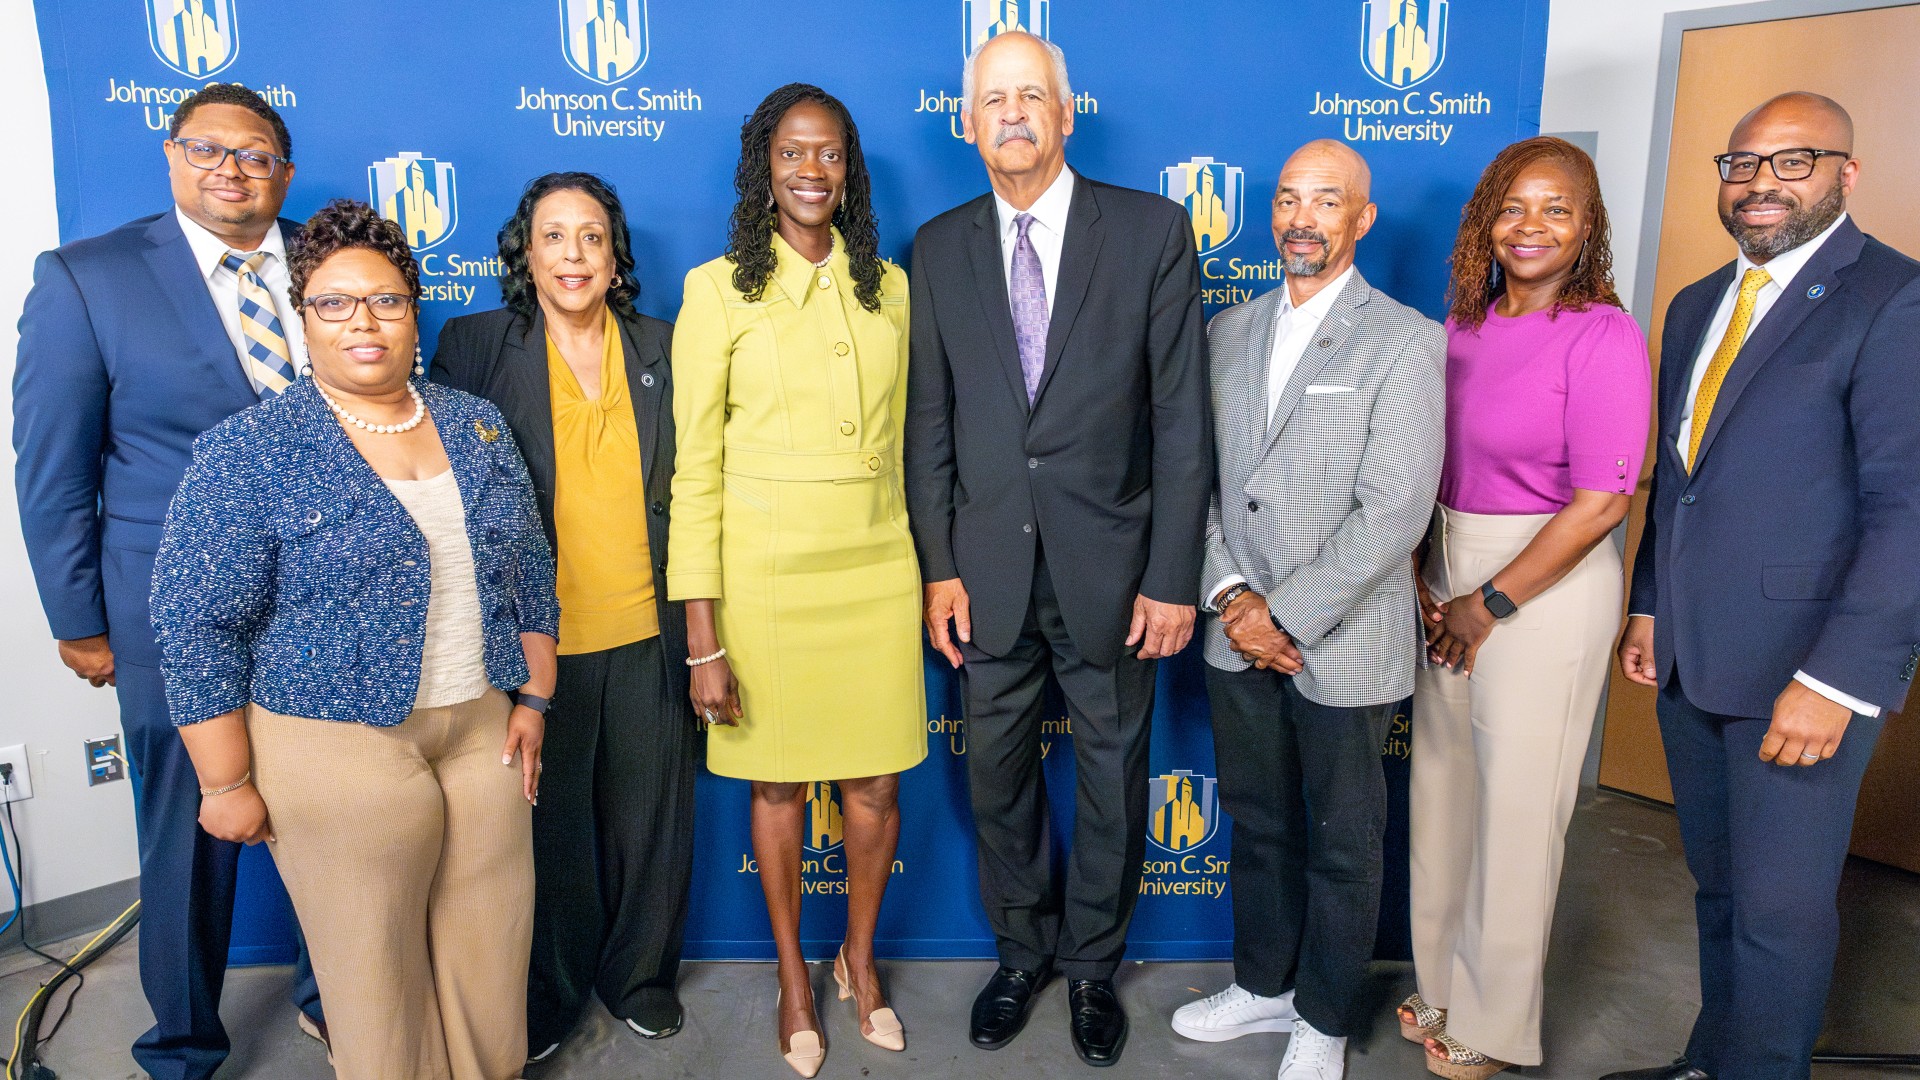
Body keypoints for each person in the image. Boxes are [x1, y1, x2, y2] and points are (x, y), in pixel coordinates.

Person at [150, 199, 559, 1080]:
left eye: (385, 300)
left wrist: (535, 695)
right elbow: (195, 624)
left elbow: (529, 567)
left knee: (491, 961)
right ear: (302, 318)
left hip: (480, 728)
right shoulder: (250, 450)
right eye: (333, 304)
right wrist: (224, 783)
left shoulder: (475, 424)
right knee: (376, 988)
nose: (362, 323)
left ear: (416, 309)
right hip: (334, 744)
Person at [904, 31, 1210, 1068]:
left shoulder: (1152, 231)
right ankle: (1020, 952)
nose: (1013, 115)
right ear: (970, 121)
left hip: (1114, 576)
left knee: (1114, 780)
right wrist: (939, 566)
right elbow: (930, 428)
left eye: (1032, 96)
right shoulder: (938, 248)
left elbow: (1181, 420)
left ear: (1067, 111)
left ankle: (1090, 967)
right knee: (995, 775)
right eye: (993, 100)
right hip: (984, 577)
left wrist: (1174, 576)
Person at [11, 82, 325, 1079]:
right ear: (171, 153)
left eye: (257, 153)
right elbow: (52, 467)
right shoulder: (88, 278)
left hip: (330, 599)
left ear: (283, 169)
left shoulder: (333, 261)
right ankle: (183, 1042)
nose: (233, 169)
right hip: (171, 611)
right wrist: (79, 619)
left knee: (335, 810)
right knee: (191, 835)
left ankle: (336, 993)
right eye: (209, 149)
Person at [1605, 93, 1920, 1080]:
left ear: (1846, 175)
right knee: (1724, 892)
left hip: (1805, 672)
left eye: (1793, 162)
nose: (1760, 184)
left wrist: (1838, 681)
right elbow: (1682, 484)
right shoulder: (1698, 302)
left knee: (1781, 915)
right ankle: (1714, 1061)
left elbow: (1907, 507)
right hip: (1695, 656)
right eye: (1742, 164)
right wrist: (1651, 601)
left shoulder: (1891, 298)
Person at [666, 83, 925, 1078]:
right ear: (763, 169)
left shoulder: (889, 288)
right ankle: (790, 977)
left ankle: (860, 961)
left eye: (828, 155)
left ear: (849, 170)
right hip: (764, 579)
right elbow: (696, 472)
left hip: (874, 568)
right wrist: (705, 636)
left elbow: (905, 450)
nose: (810, 171)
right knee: (775, 783)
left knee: (875, 782)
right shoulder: (716, 289)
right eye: (791, 154)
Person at [1170, 140, 1444, 1080]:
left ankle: (1322, 1015)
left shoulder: (1404, 339)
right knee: (1259, 822)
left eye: (1327, 201)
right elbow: (1196, 484)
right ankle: (1263, 983)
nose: (1302, 217)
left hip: (1345, 637)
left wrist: (1282, 616)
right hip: (1232, 624)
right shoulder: (1227, 330)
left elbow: (1398, 508)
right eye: (1289, 198)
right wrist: (1232, 598)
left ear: (1361, 220)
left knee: (1340, 839)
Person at [1402, 137, 1649, 1079]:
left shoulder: (1602, 334)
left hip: (1542, 579)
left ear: (1587, 228)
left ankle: (1496, 1023)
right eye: (1514, 207)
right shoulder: (1463, 324)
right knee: (1443, 793)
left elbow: (1603, 501)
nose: (1532, 227)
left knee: (1516, 811)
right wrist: (1432, 576)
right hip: (1448, 567)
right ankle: (1439, 990)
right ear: (1485, 222)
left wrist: (1487, 600)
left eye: (1557, 209)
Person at [432, 172, 693, 1062]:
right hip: (534, 645)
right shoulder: (474, 347)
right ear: (525, 252)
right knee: (548, 827)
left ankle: (641, 976)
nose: (573, 255)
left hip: (650, 627)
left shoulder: (667, 346)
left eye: (591, 236)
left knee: (649, 817)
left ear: (616, 255)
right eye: (553, 237)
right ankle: (549, 992)